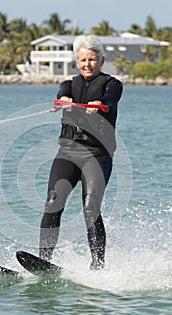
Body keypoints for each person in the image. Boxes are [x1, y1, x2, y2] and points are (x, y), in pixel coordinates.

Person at [39, 35, 123, 271]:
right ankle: (43, 262)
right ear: (77, 61)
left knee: (90, 207)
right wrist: (63, 101)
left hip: (97, 155)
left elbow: (111, 98)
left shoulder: (112, 84)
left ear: (101, 60)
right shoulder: (68, 84)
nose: (87, 64)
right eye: (82, 60)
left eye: (92, 60)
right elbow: (60, 95)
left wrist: (99, 104)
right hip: (67, 153)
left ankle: (97, 266)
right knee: (53, 203)